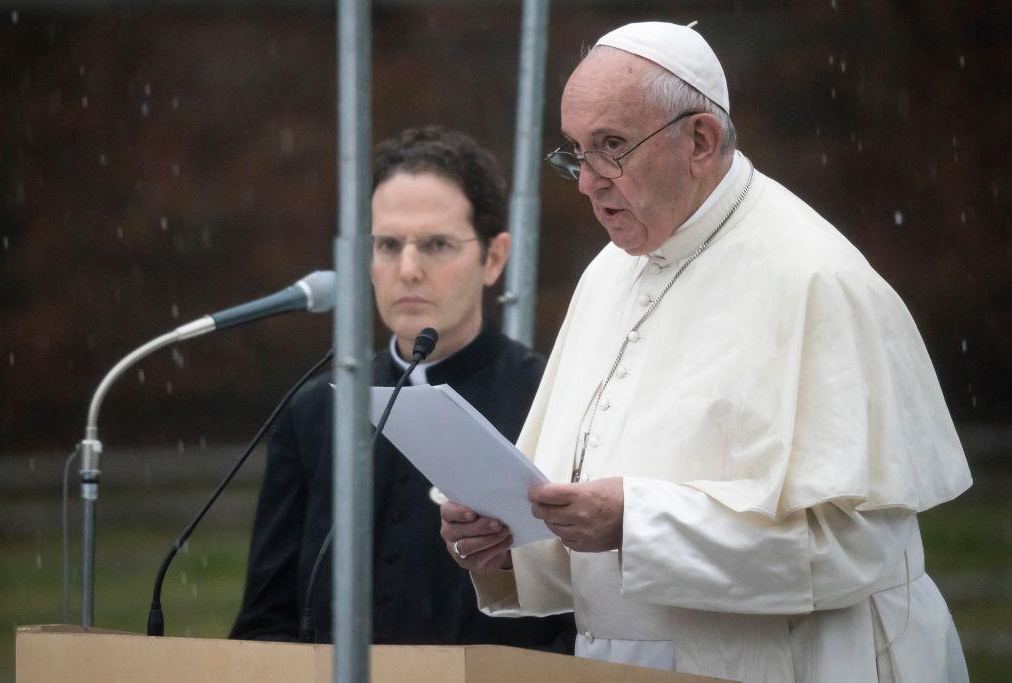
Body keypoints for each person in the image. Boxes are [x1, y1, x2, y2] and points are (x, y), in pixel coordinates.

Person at [440, 21, 972, 682]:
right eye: (575, 152)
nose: (587, 182)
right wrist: (508, 540)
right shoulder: (609, 273)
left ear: (700, 140)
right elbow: (576, 495)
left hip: (802, 659)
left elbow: (851, 547)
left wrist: (636, 520)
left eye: (611, 148)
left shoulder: (816, 277)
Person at [231, 126, 574, 651]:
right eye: (388, 245)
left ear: (494, 258)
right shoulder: (314, 411)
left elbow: (575, 619)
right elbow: (266, 622)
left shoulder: (552, 400)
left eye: (436, 244)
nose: (408, 270)